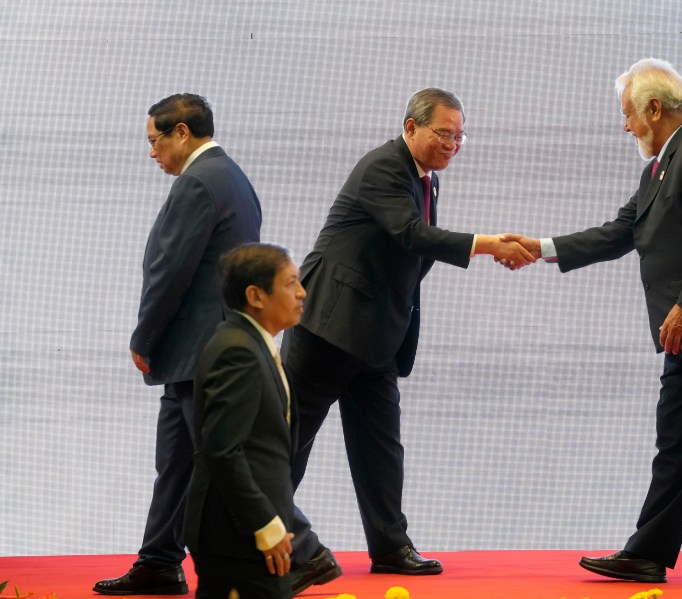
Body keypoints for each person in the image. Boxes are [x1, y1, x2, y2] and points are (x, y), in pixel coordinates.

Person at [505, 58, 682, 587]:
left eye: (628, 114)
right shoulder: (659, 167)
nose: (626, 126)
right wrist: (537, 248)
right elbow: (618, 232)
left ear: (654, 109)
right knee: (677, 443)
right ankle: (647, 553)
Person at [280, 87, 535, 593]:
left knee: (381, 446)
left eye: (460, 136)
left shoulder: (427, 179)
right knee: (288, 442)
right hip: (329, 328)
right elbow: (410, 235)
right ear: (411, 126)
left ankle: (391, 546)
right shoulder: (382, 166)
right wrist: (487, 245)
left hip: (376, 335)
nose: (453, 144)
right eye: (444, 133)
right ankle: (271, 540)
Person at [94, 94, 262, 595]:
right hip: (206, 352)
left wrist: (144, 338)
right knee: (177, 461)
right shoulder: (234, 177)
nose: (152, 153)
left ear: (182, 133)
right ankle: (160, 560)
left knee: (217, 464)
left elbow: (171, 272)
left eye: (155, 141)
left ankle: (290, 555)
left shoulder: (198, 182)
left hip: (198, 353)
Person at [184, 243, 305, 598]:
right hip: (237, 537)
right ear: (256, 296)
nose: (302, 292)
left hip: (248, 532)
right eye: (290, 283)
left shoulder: (252, 344)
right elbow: (223, 451)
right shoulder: (238, 352)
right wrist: (265, 527)